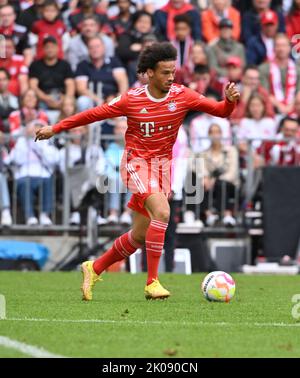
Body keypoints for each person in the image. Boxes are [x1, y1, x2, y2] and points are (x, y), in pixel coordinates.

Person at [35, 42, 240, 301]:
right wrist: (56, 128)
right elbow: (93, 114)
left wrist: (230, 102)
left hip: (162, 168)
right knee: (163, 212)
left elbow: (221, 111)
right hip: (136, 163)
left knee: (141, 235)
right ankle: (152, 282)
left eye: (172, 72)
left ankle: (94, 267)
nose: (170, 77)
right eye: (165, 72)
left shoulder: (182, 95)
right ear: (150, 73)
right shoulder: (132, 99)